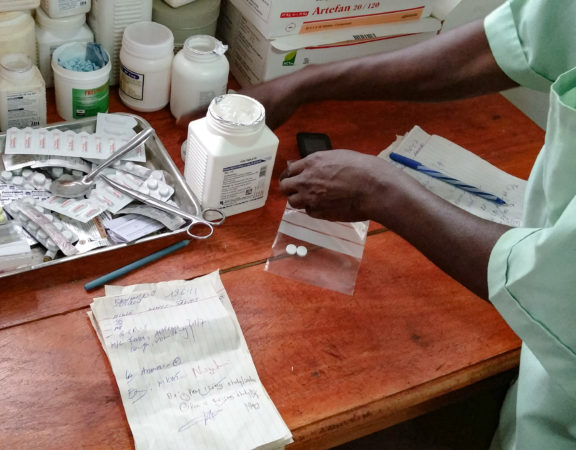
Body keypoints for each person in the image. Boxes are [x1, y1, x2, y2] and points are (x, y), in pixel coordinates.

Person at [233, 1, 576, 449]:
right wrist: (300, 84)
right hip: (537, 370)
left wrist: (380, 190)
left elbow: (548, 284)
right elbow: (491, 50)